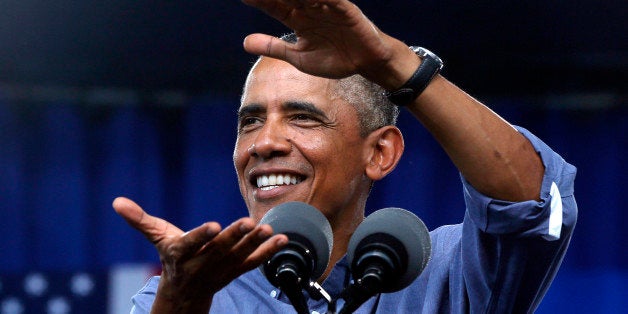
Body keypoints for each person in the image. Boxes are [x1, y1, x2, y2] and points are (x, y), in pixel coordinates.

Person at [113, 0, 577, 313]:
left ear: (380, 152)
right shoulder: (195, 294)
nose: (263, 143)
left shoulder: (441, 275)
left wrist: (393, 65)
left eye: (303, 118)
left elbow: (530, 202)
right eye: (250, 120)